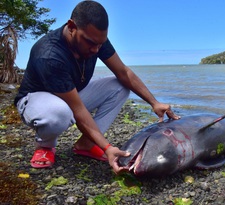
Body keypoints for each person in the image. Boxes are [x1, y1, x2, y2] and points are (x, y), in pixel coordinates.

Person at [14, 0, 180, 174]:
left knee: (120, 86)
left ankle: (86, 144)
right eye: (91, 43)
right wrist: (108, 147)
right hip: (36, 101)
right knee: (58, 113)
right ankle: (45, 146)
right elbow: (77, 109)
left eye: (100, 44)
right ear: (71, 27)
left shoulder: (96, 40)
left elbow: (123, 72)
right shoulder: (49, 55)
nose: (96, 49)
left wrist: (154, 102)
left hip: (70, 95)